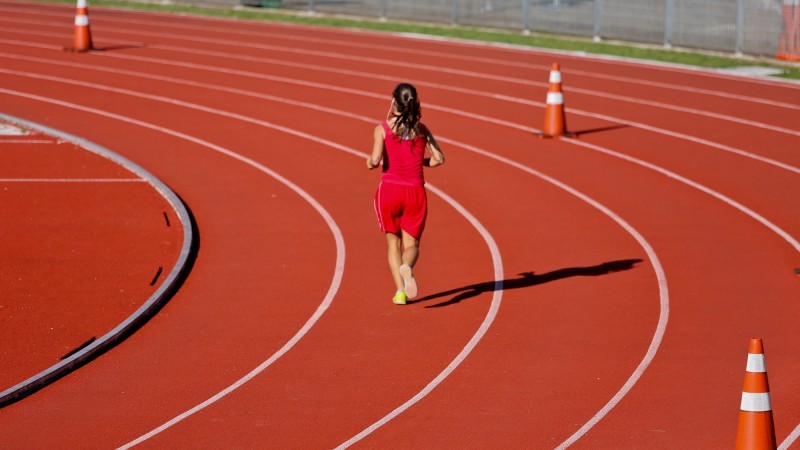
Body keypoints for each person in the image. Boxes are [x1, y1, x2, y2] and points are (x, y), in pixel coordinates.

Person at [367, 83, 445, 305]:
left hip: (389, 191)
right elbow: (439, 159)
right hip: (415, 192)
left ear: (394, 102)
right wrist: (420, 162)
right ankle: (407, 266)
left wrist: (370, 162)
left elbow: (375, 160)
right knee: (412, 246)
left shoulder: (382, 129)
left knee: (393, 244)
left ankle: (400, 292)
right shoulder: (422, 130)